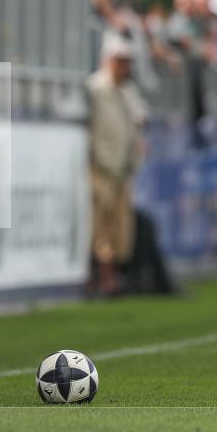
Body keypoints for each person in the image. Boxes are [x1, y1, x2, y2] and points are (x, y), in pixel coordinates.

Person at [86, 32, 143, 296]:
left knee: (121, 229)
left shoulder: (128, 91)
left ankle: (112, 278)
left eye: (127, 61)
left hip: (123, 168)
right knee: (100, 228)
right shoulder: (96, 88)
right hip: (101, 167)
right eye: (121, 60)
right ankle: (104, 280)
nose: (125, 66)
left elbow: (139, 122)